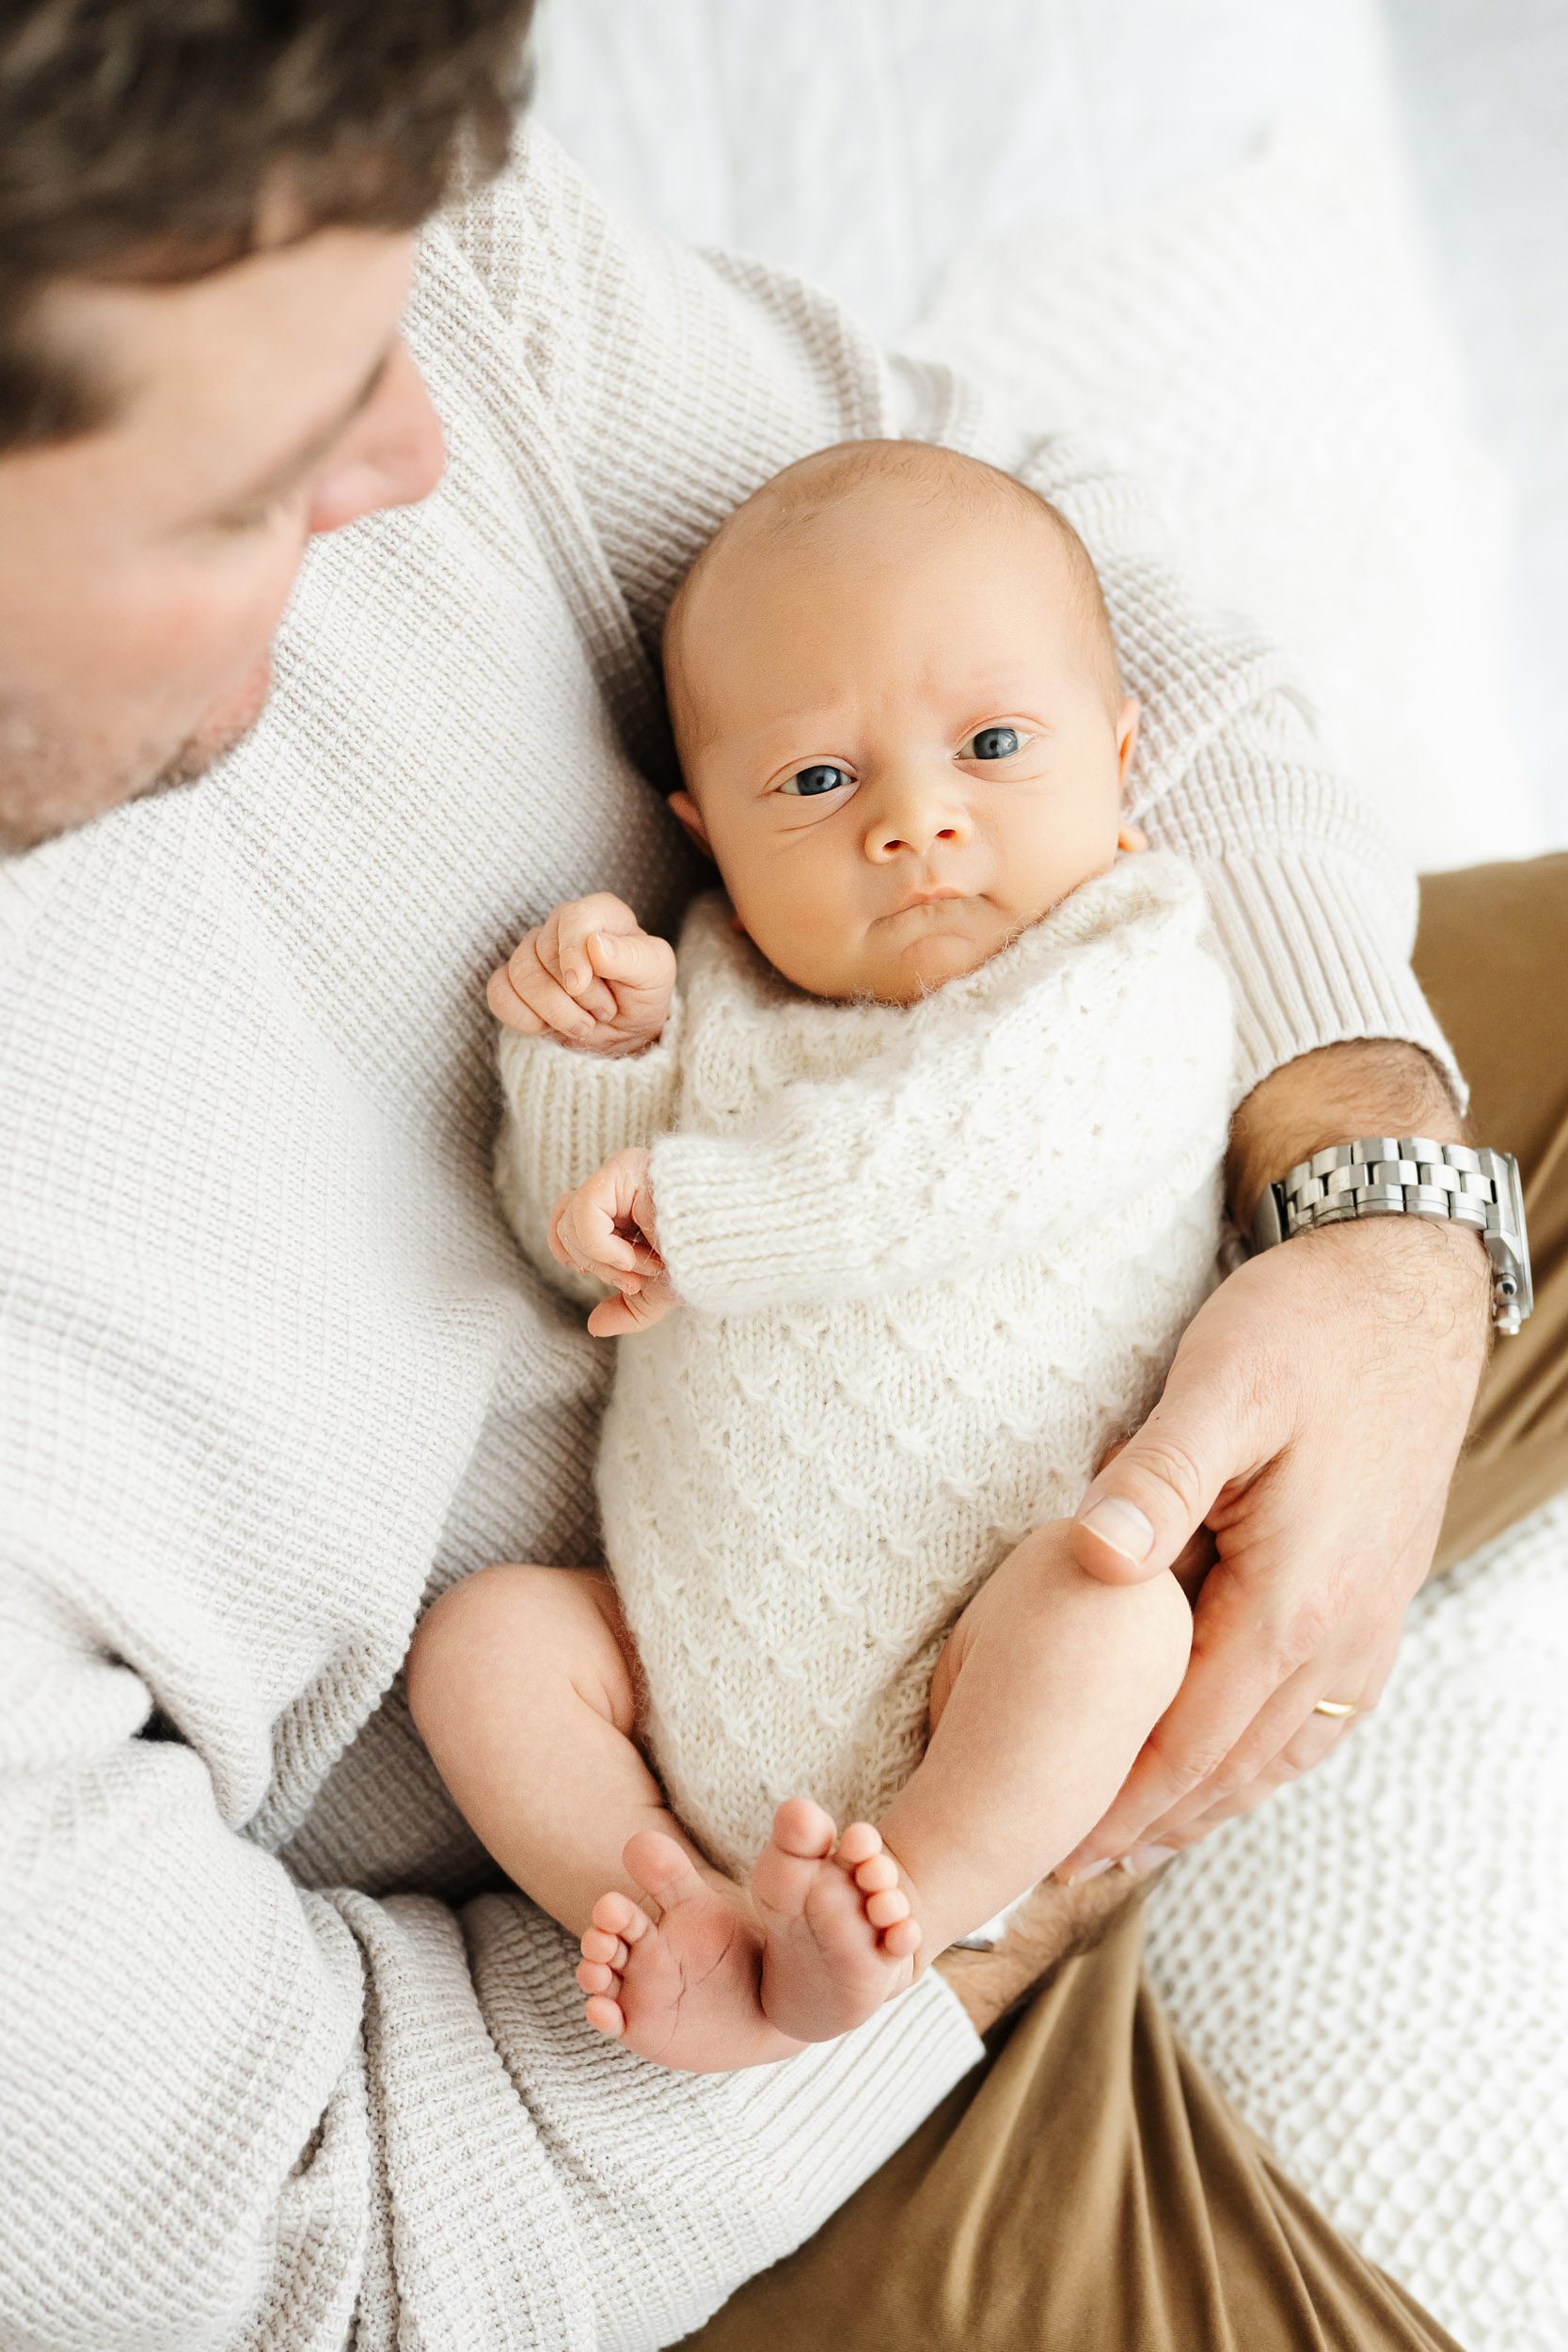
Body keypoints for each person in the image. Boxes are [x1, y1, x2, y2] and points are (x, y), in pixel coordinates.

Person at [0, 3, 1560, 2345]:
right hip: (735, 2019)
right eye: (252, 485)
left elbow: (1053, 596)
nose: (415, 453)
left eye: (400, 311)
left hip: (1140, 1242)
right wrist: (980, 1883)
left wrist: (1376, 1214)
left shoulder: (284, 190)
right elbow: (329, 2250)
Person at [408, 439, 1237, 2071]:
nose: (917, 826)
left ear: (1119, 759)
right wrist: (597, 1066)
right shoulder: (719, 988)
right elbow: (596, 1269)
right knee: (491, 1645)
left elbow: (943, 1167)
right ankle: (667, 1910)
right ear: (704, 827)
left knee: (1118, 1613)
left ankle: (898, 1910)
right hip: (680, 1648)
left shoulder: (1130, 976)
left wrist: (689, 1205)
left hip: (977, 1650)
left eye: (995, 747)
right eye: (816, 784)